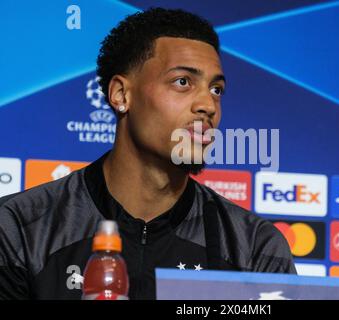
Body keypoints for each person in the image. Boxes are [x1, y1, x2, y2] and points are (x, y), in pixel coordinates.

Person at [0, 7, 295, 300]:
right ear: (121, 95)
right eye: (183, 82)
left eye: (216, 89)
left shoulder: (255, 246)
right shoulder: (20, 226)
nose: (208, 104)